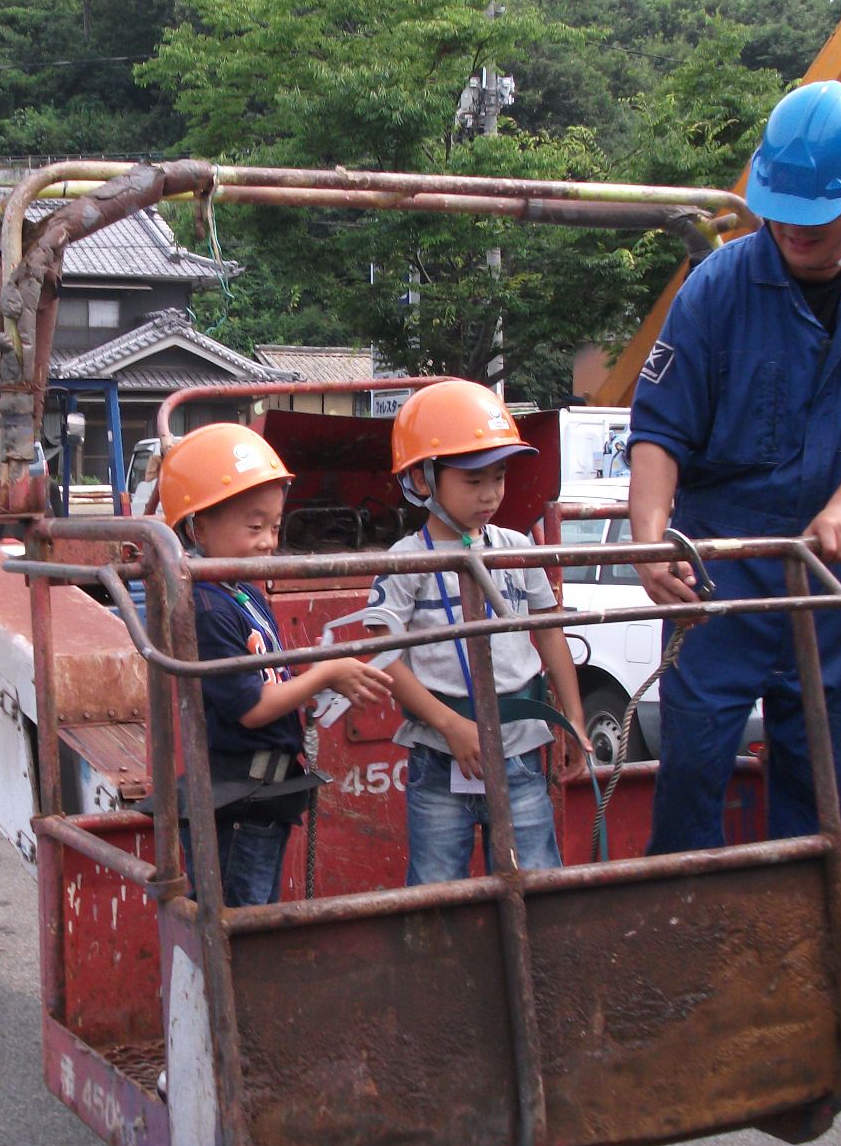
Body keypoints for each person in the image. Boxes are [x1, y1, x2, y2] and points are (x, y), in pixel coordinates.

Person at [628, 80, 841, 853]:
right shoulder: (718, 286)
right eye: (780, 212)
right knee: (694, 768)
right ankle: (683, 932)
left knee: (824, 783)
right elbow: (660, 429)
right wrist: (649, 540)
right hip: (723, 562)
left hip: (836, 568)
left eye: (815, 215)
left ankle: (817, 947)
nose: (793, 231)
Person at [157, 422, 392, 906]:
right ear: (198, 526)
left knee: (251, 913)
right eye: (254, 526)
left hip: (263, 792)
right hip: (236, 798)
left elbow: (272, 677)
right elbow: (253, 708)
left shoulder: (242, 590)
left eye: (276, 527)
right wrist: (325, 674)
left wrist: (311, 685)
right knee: (238, 920)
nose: (269, 542)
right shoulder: (205, 608)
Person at [363, 380, 585, 884]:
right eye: (473, 480)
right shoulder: (405, 561)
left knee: (536, 880)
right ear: (423, 479)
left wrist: (572, 718)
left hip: (521, 749)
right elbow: (383, 653)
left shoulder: (516, 546)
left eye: (499, 477)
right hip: (442, 757)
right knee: (436, 888)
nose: (490, 495)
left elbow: (549, 633)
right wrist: (449, 725)